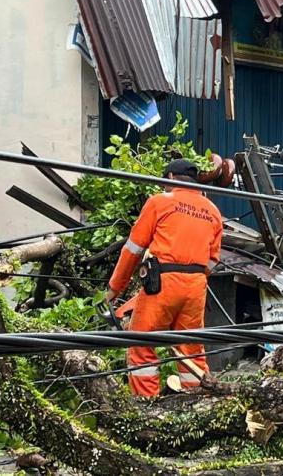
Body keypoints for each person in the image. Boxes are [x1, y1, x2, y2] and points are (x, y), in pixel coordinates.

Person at [107, 159, 223, 397]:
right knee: (191, 348)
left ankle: (146, 404)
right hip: (196, 286)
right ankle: (198, 402)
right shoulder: (212, 210)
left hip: (163, 283)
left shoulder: (159, 202)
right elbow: (213, 260)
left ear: (170, 178)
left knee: (142, 344)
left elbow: (133, 249)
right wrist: (192, 279)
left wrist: (114, 289)